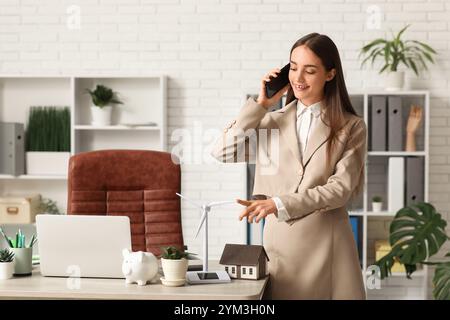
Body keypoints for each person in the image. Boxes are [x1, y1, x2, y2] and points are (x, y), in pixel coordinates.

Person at [211, 33, 367, 299]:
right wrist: (261, 105)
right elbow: (222, 151)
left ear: (330, 74)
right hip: (281, 247)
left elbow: (340, 190)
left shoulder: (351, 126)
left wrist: (278, 204)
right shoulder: (271, 122)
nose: (298, 78)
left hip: (329, 248)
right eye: (293, 68)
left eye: (309, 70)